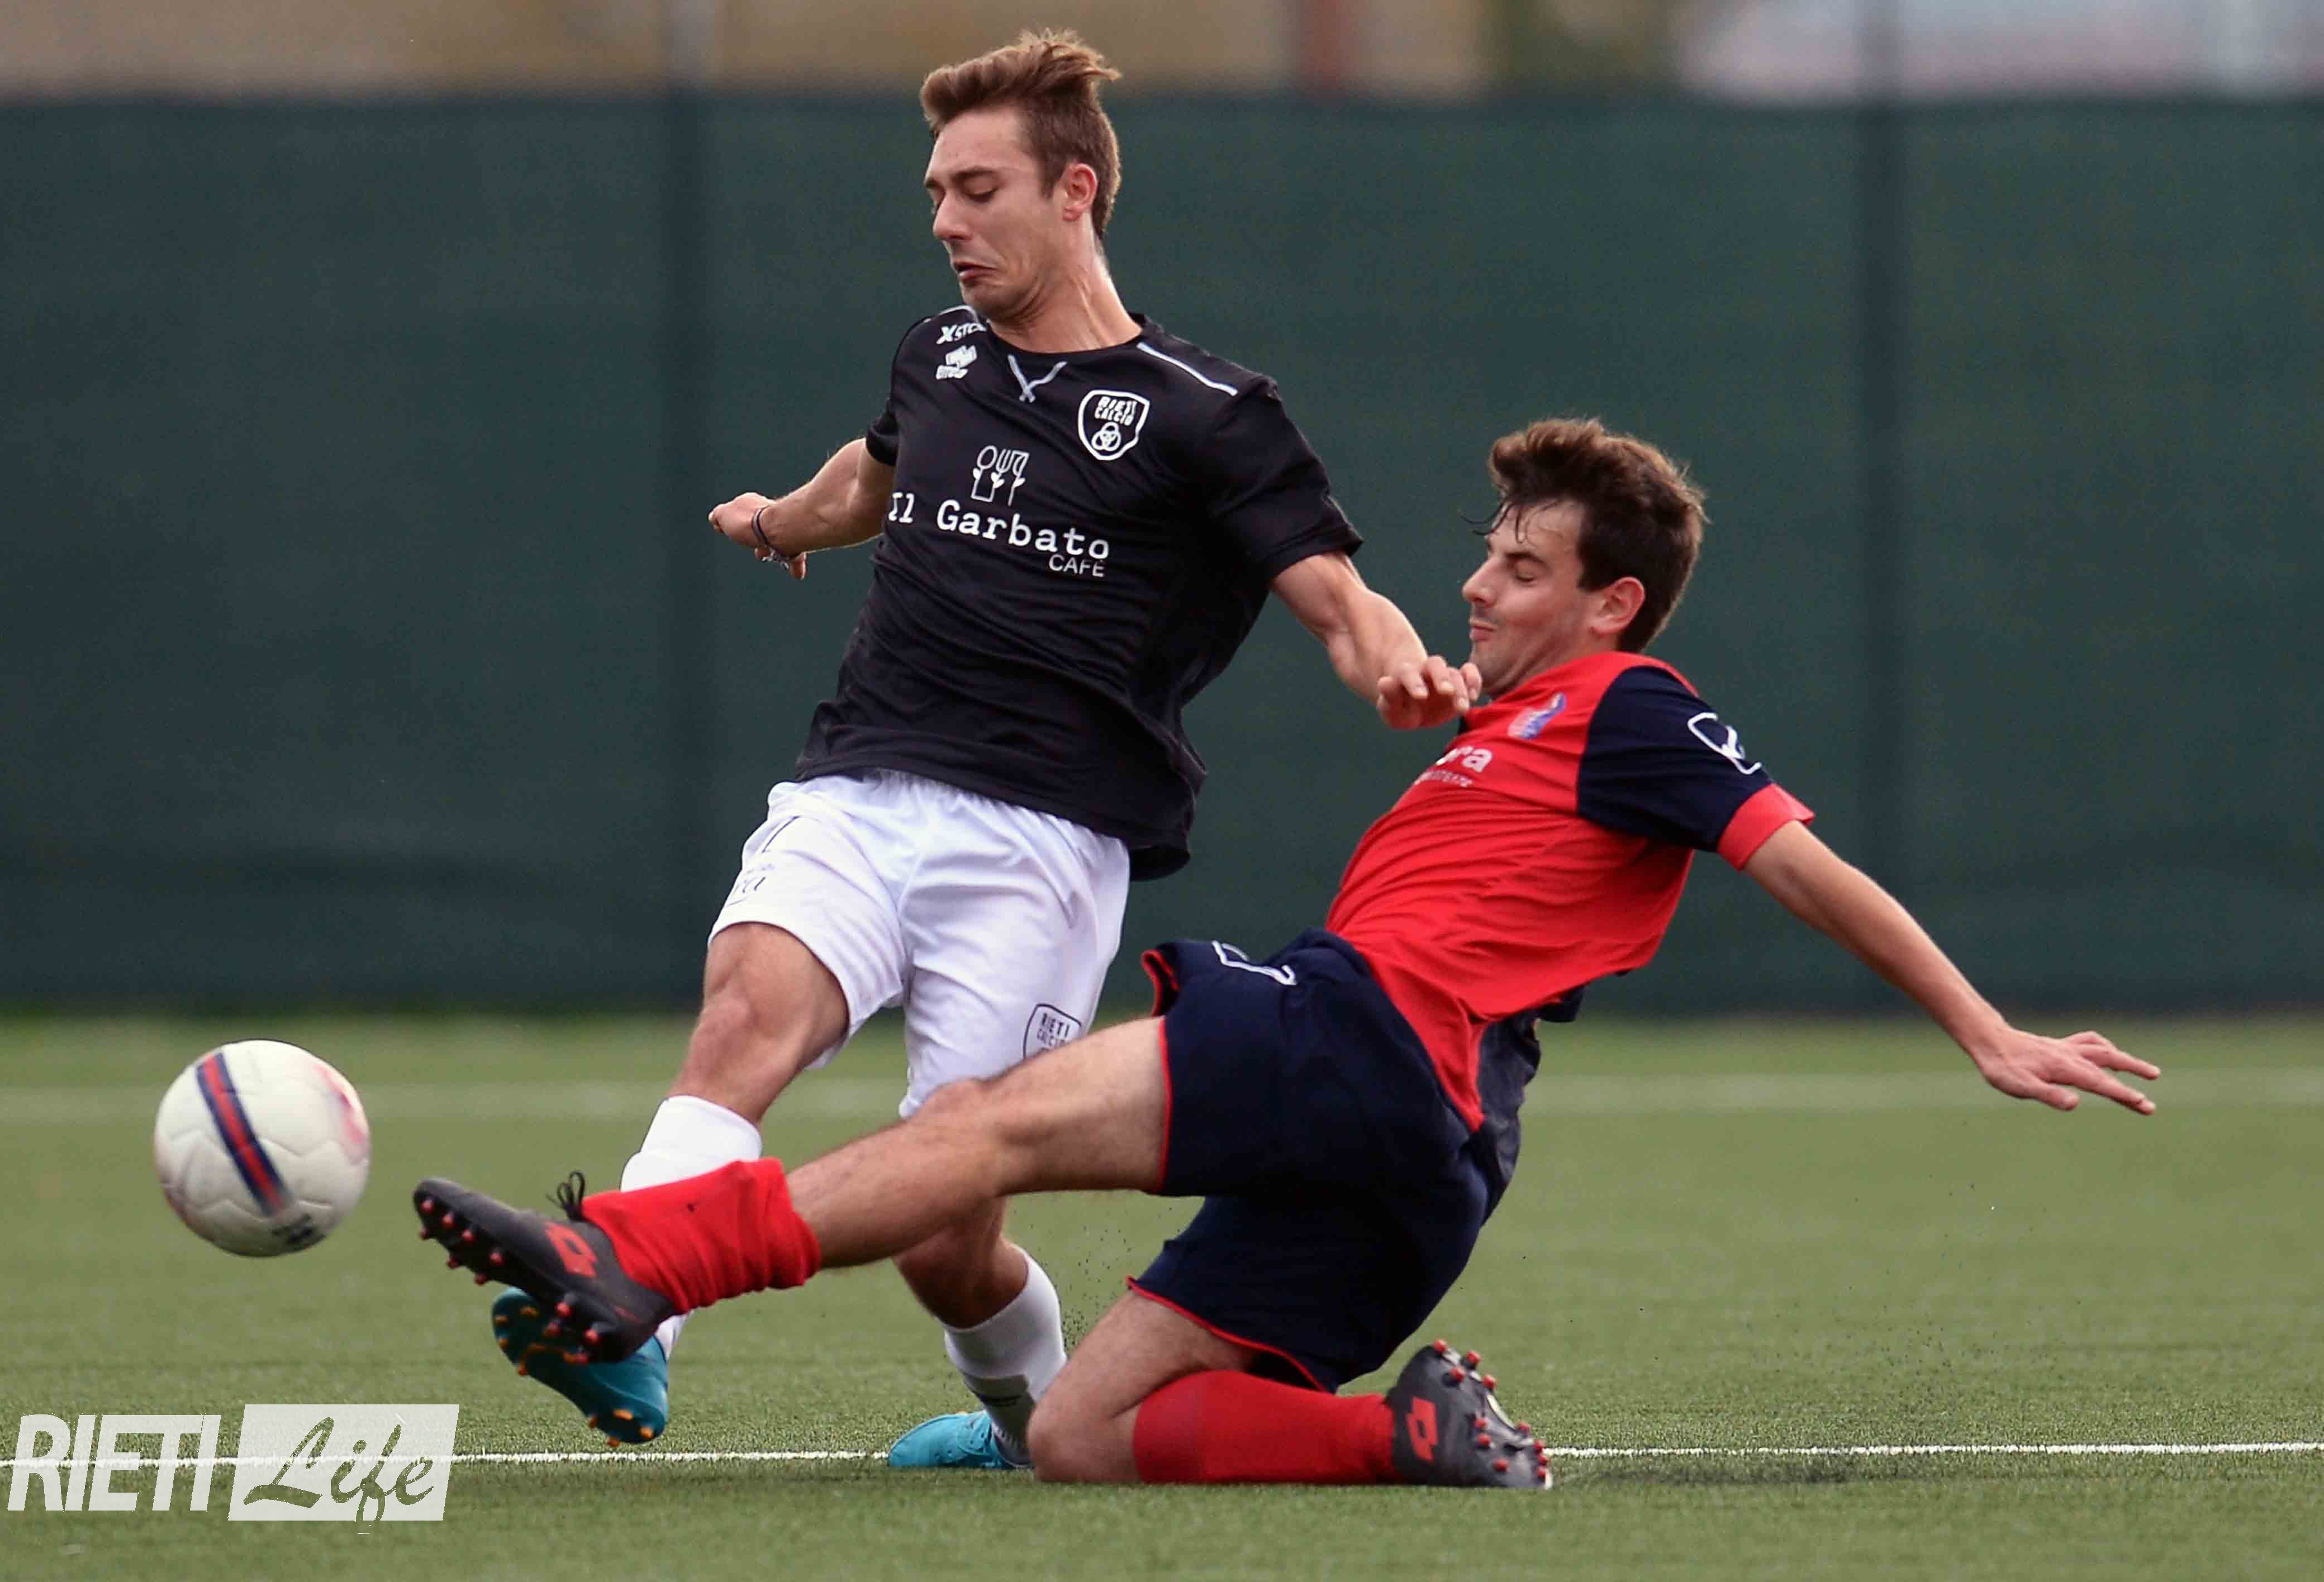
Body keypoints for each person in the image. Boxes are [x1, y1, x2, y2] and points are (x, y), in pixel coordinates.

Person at [426, 417, 2157, 1488]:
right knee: (1087, 1439)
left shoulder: (1632, 704)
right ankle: (1408, 1438)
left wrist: (1982, 1029)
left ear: (1612, 603)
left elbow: (1804, 862)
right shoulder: (1512, 722)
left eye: (1520, 566)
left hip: (1377, 1036)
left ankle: (636, 1260)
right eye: (1487, 555)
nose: (1479, 585)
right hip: (1438, 1157)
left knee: (985, 1126)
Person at [485, 30, 1474, 1466]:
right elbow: (870, 480)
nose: (946, 221)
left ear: (1076, 191)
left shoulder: (1209, 414)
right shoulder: (936, 352)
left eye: (978, 189)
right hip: (858, 785)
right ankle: (630, 1321)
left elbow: (1333, 592)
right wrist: (778, 520)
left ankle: (1029, 1425)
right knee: (742, 1025)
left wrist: (1393, 664)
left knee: (945, 1235)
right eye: (937, 193)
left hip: (1041, 843)